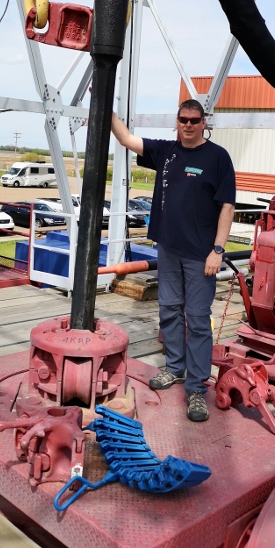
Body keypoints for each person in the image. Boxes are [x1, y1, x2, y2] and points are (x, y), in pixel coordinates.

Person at [111, 99, 235, 422]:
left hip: (201, 255)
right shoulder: (166, 152)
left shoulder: (218, 157)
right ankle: (175, 368)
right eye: (184, 119)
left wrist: (218, 250)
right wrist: (105, 105)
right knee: (168, 309)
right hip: (168, 248)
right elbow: (126, 139)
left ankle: (196, 388)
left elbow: (227, 206)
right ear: (177, 121)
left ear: (204, 122)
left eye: (194, 120)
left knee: (198, 319)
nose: (189, 125)